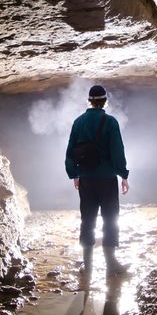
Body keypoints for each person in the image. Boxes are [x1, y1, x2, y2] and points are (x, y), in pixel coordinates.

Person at [65, 84, 130, 276]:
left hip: (86, 179)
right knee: (110, 219)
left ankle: (87, 266)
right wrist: (123, 175)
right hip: (107, 179)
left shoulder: (78, 122)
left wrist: (74, 174)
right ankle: (111, 265)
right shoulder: (111, 122)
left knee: (88, 219)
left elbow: (70, 151)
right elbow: (118, 151)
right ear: (105, 101)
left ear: (89, 101)